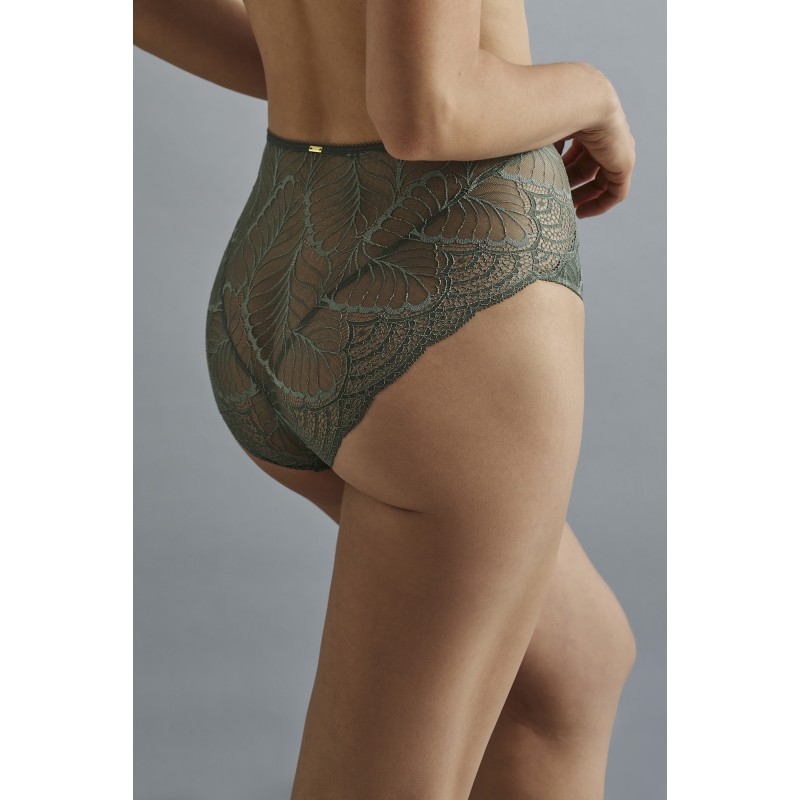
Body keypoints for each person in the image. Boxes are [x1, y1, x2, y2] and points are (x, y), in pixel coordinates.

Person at [134, 0, 637, 796]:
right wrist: (593, 95)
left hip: (284, 244)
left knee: (572, 670)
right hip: (445, 276)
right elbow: (432, 110)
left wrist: (314, 67)